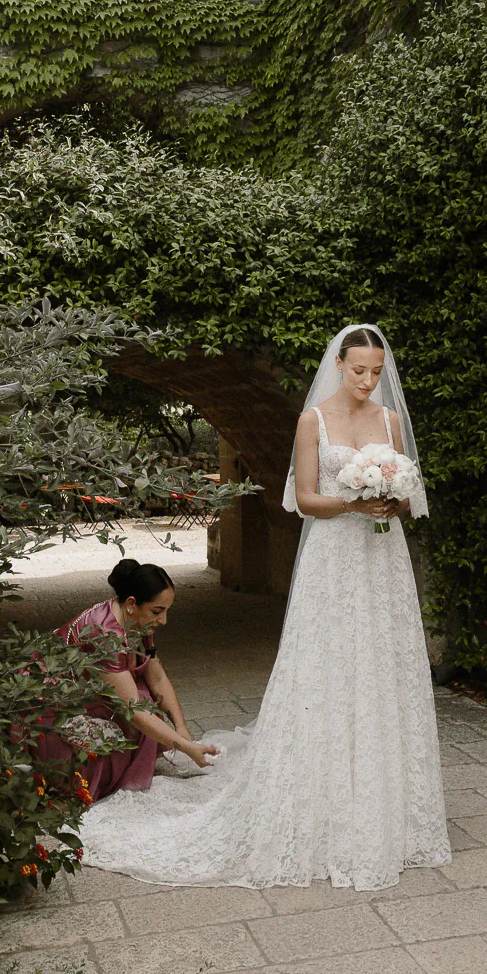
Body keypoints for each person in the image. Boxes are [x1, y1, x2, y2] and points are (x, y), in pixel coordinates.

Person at [74, 323, 450, 889]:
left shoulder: (391, 422)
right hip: (334, 556)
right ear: (340, 365)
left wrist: (390, 503)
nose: (369, 382)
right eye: (358, 371)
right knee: (325, 666)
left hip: (380, 559)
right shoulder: (312, 420)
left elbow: (407, 500)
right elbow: (303, 498)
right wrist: (356, 500)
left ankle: (383, 804)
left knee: (381, 664)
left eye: (376, 372)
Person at [34, 560, 219, 802]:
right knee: (138, 705)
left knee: (144, 696)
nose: (163, 620)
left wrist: (180, 726)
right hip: (56, 705)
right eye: (157, 611)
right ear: (131, 603)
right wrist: (185, 747)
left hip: (94, 690)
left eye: (167, 610)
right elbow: (133, 711)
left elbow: (157, 675)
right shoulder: (105, 635)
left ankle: (129, 764)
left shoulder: (136, 622)